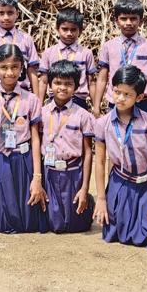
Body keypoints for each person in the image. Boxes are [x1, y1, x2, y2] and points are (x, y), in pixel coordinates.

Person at [92, 65, 147, 249]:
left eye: (127, 94)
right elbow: (99, 162)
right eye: (117, 92)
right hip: (120, 183)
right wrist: (101, 198)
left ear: (139, 97)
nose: (120, 98)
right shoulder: (102, 124)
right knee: (115, 234)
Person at [0, 44, 48, 233]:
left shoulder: (31, 100)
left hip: (22, 162)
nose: (9, 72)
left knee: (26, 222)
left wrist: (37, 177)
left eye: (15, 67)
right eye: (4, 67)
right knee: (0, 220)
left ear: (22, 68)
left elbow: (35, 140)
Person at [38, 60, 94, 234]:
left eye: (68, 84)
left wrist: (84, 188)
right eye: (57, 83)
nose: (62, 88)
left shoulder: (83, 115)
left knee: (75, 224)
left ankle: (89, 200)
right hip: (49, 171)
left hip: (72, 172)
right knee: (53, 224)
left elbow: (87, 153)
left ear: (76, 87)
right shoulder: (42, 113)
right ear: (49, 85)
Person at [93, 0, 147, 120]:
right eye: (123, 19)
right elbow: (102, 78)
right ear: (116, 20)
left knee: (143, 137)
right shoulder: (109, 46)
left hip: (142, 102)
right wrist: (96, 106)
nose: (128, 22)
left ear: (141, 21)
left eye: (133, 19)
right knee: (116, 137)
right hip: (117, 102)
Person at [36, 8, 98, 111]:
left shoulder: (86, 53)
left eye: (73, 29)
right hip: (54, 100)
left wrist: (96, 108)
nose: (69, 33)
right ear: (57, 28)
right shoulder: (49, 52)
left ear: (80, 30)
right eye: (65, 29)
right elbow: (43, 81)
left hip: (78, 101)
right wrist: (39, 106)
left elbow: (91, 82)